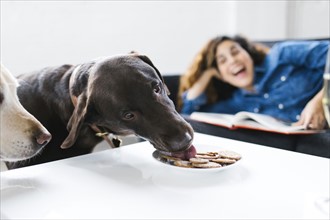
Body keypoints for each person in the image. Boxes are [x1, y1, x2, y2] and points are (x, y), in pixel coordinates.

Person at [178, 35, 330, 130]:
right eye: (222, 61)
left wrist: (321, 100)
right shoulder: (237, 102)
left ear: (248, 53)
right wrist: (207, 73)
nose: (233, 60)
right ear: (221, 76)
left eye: (235, 51)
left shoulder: (282, 54)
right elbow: (188, 114)